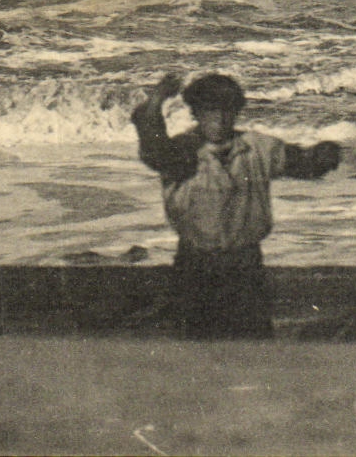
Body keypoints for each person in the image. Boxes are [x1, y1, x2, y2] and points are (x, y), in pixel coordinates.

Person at [131, 72, 341, 339]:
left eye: (226, 110)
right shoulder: (182, 151)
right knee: (198, 351)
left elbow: (303, 162)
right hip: (196, 266)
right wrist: (156, 100)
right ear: (196, 113)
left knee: (253, 348)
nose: (219, 118)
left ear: (236, 112)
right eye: (210, 111)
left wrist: (323, 154)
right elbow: (152, 144)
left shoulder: (258, 148)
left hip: (246, 266)